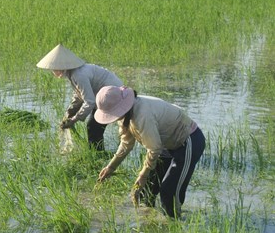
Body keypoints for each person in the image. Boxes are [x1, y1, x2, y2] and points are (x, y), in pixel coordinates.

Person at [95, 85, 206, 218]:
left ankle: (175, 228)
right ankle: (148, 223)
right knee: (146, 190)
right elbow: (126, 144)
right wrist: (110, 167)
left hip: (187, 142)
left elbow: (154, 148)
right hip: (166, 146)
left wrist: (142, 175)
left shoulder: (142, 114)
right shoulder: (125, 115)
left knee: (168, 192)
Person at [37, 44, 123, 151]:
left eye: (54, 69)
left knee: (93, 127)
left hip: (112, 95)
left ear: (61, 67)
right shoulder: (72, 74)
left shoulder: (79, 75)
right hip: (103, 96)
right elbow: (78, 96)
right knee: (94, 127)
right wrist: (68, 114)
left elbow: (89, 101)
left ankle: (97, 155)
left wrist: (74, 119)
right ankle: (98, 153)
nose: (53, 72)